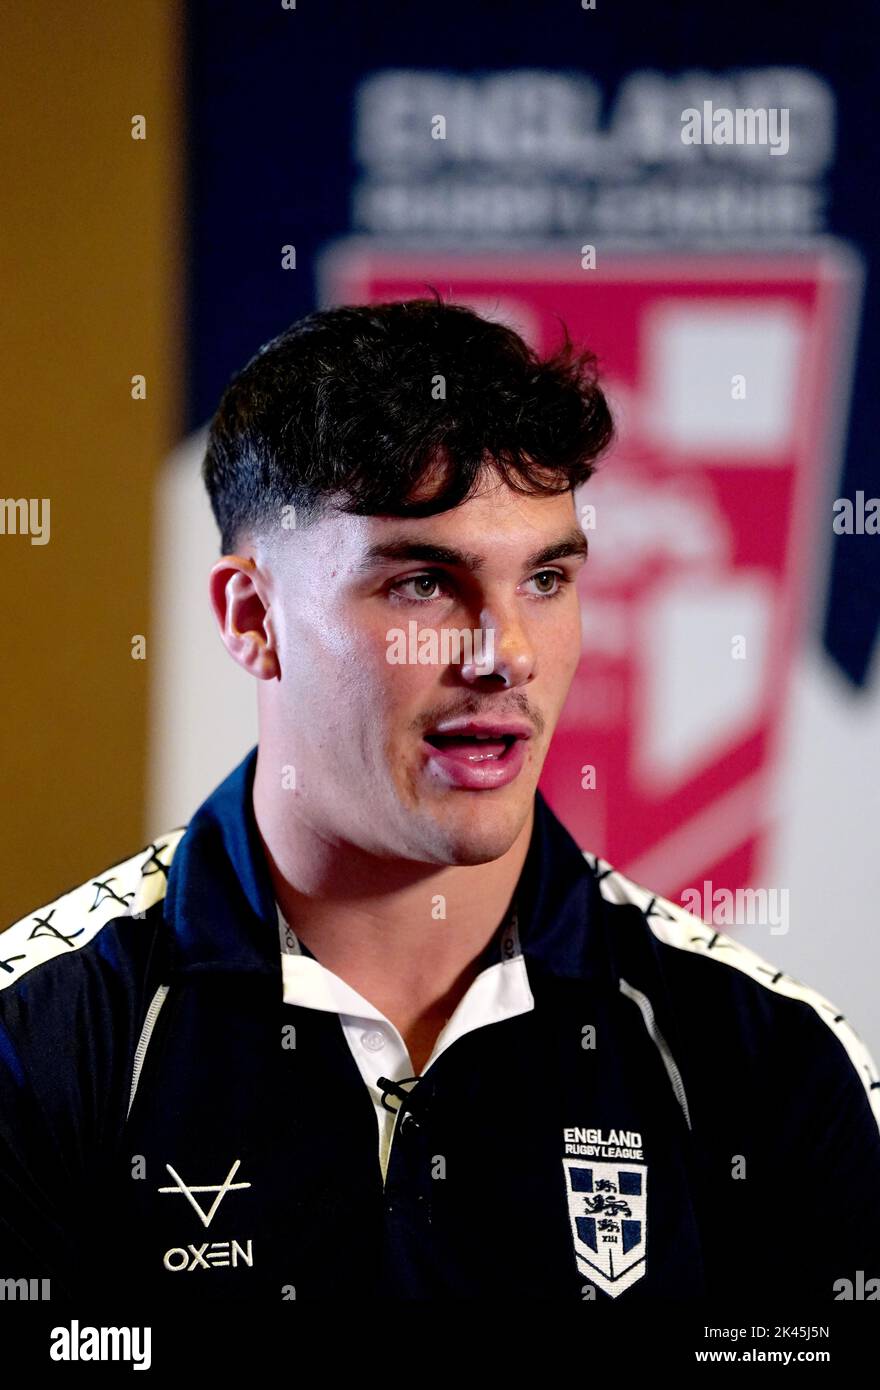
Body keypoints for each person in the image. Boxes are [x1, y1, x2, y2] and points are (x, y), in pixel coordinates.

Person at [1, 296, 878, 1303]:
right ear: (252, 617)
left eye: (545, 578)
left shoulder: (773, 1065)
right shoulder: (38, 1044)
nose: (505, 654)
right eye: (423, 582)